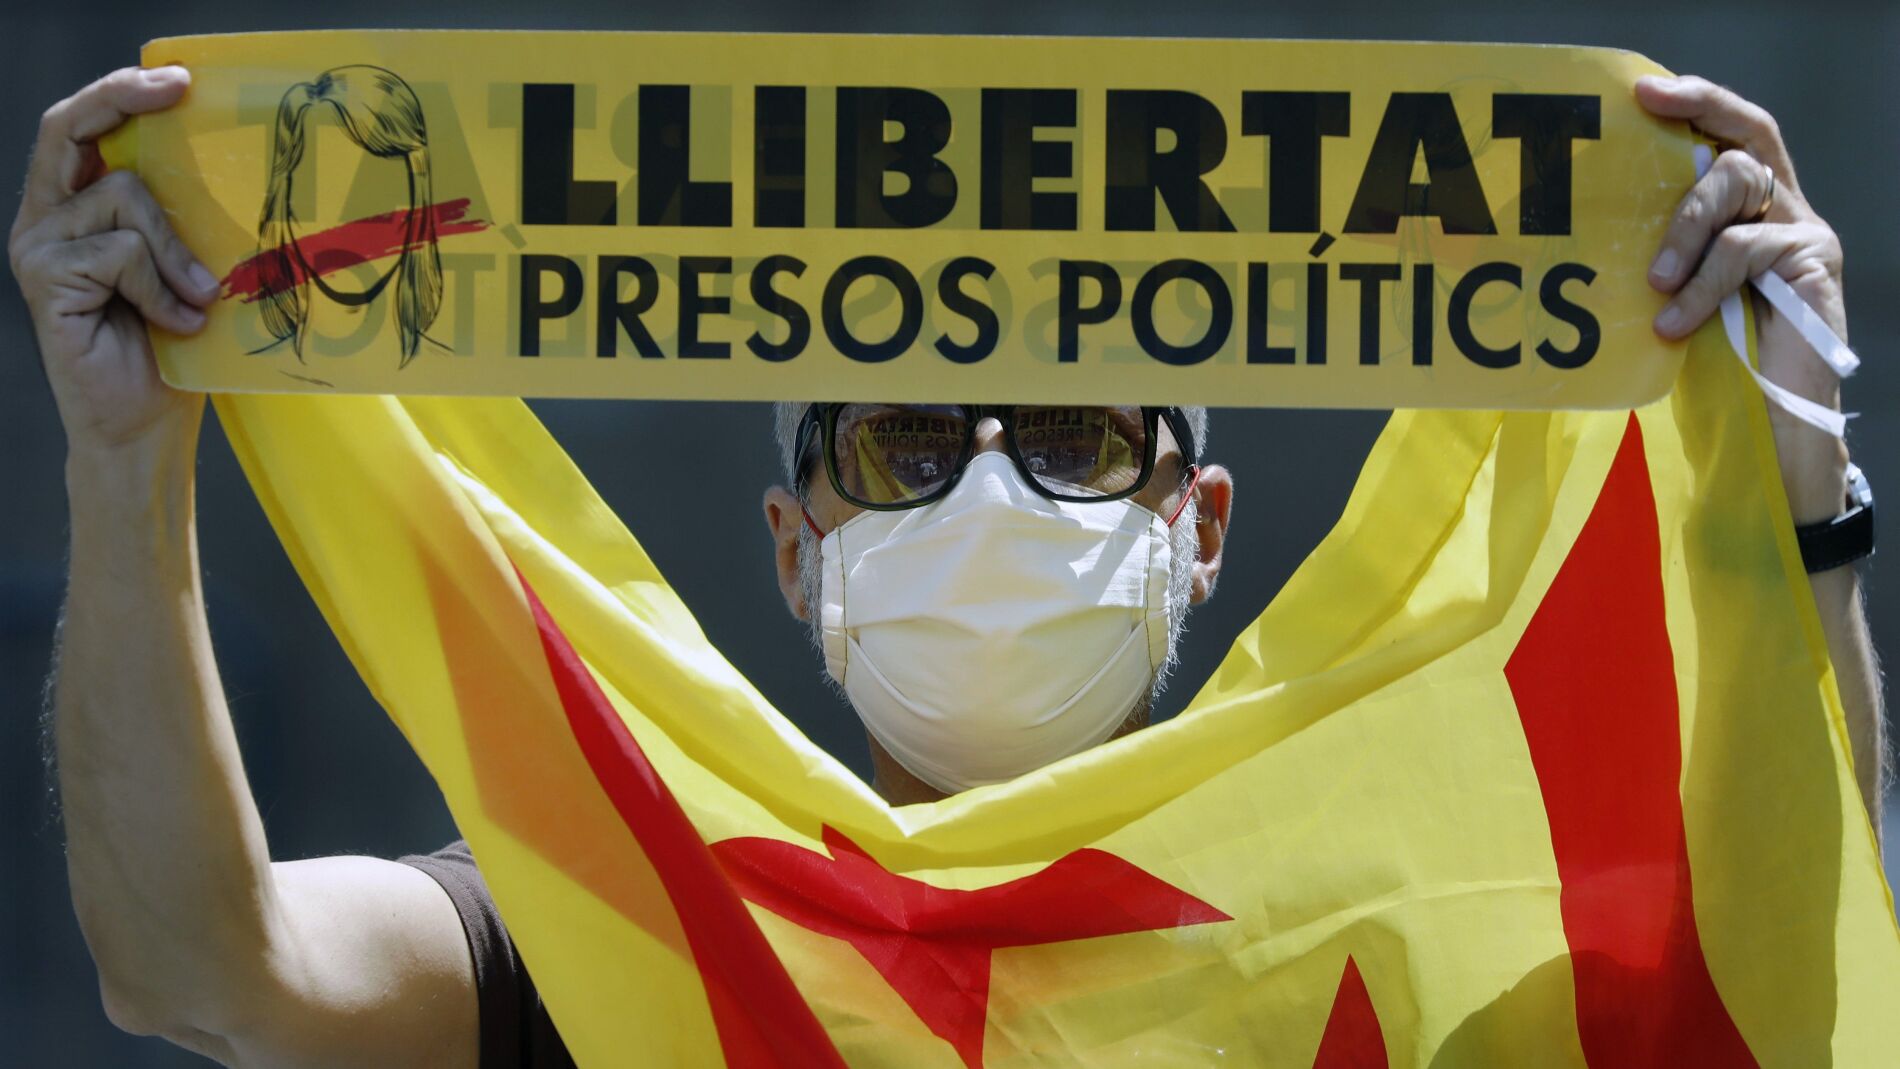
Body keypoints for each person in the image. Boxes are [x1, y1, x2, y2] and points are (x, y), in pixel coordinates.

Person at [9, 64, 1884, 1069]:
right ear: (794, 545)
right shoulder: (632, 910)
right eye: (909, 441)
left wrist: (1794, 501)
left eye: (1072, 435)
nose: (990, 492)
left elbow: (1765, 960)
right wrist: (125, 460)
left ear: (1200, 527)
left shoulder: (1410, 928)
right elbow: (207, 969)